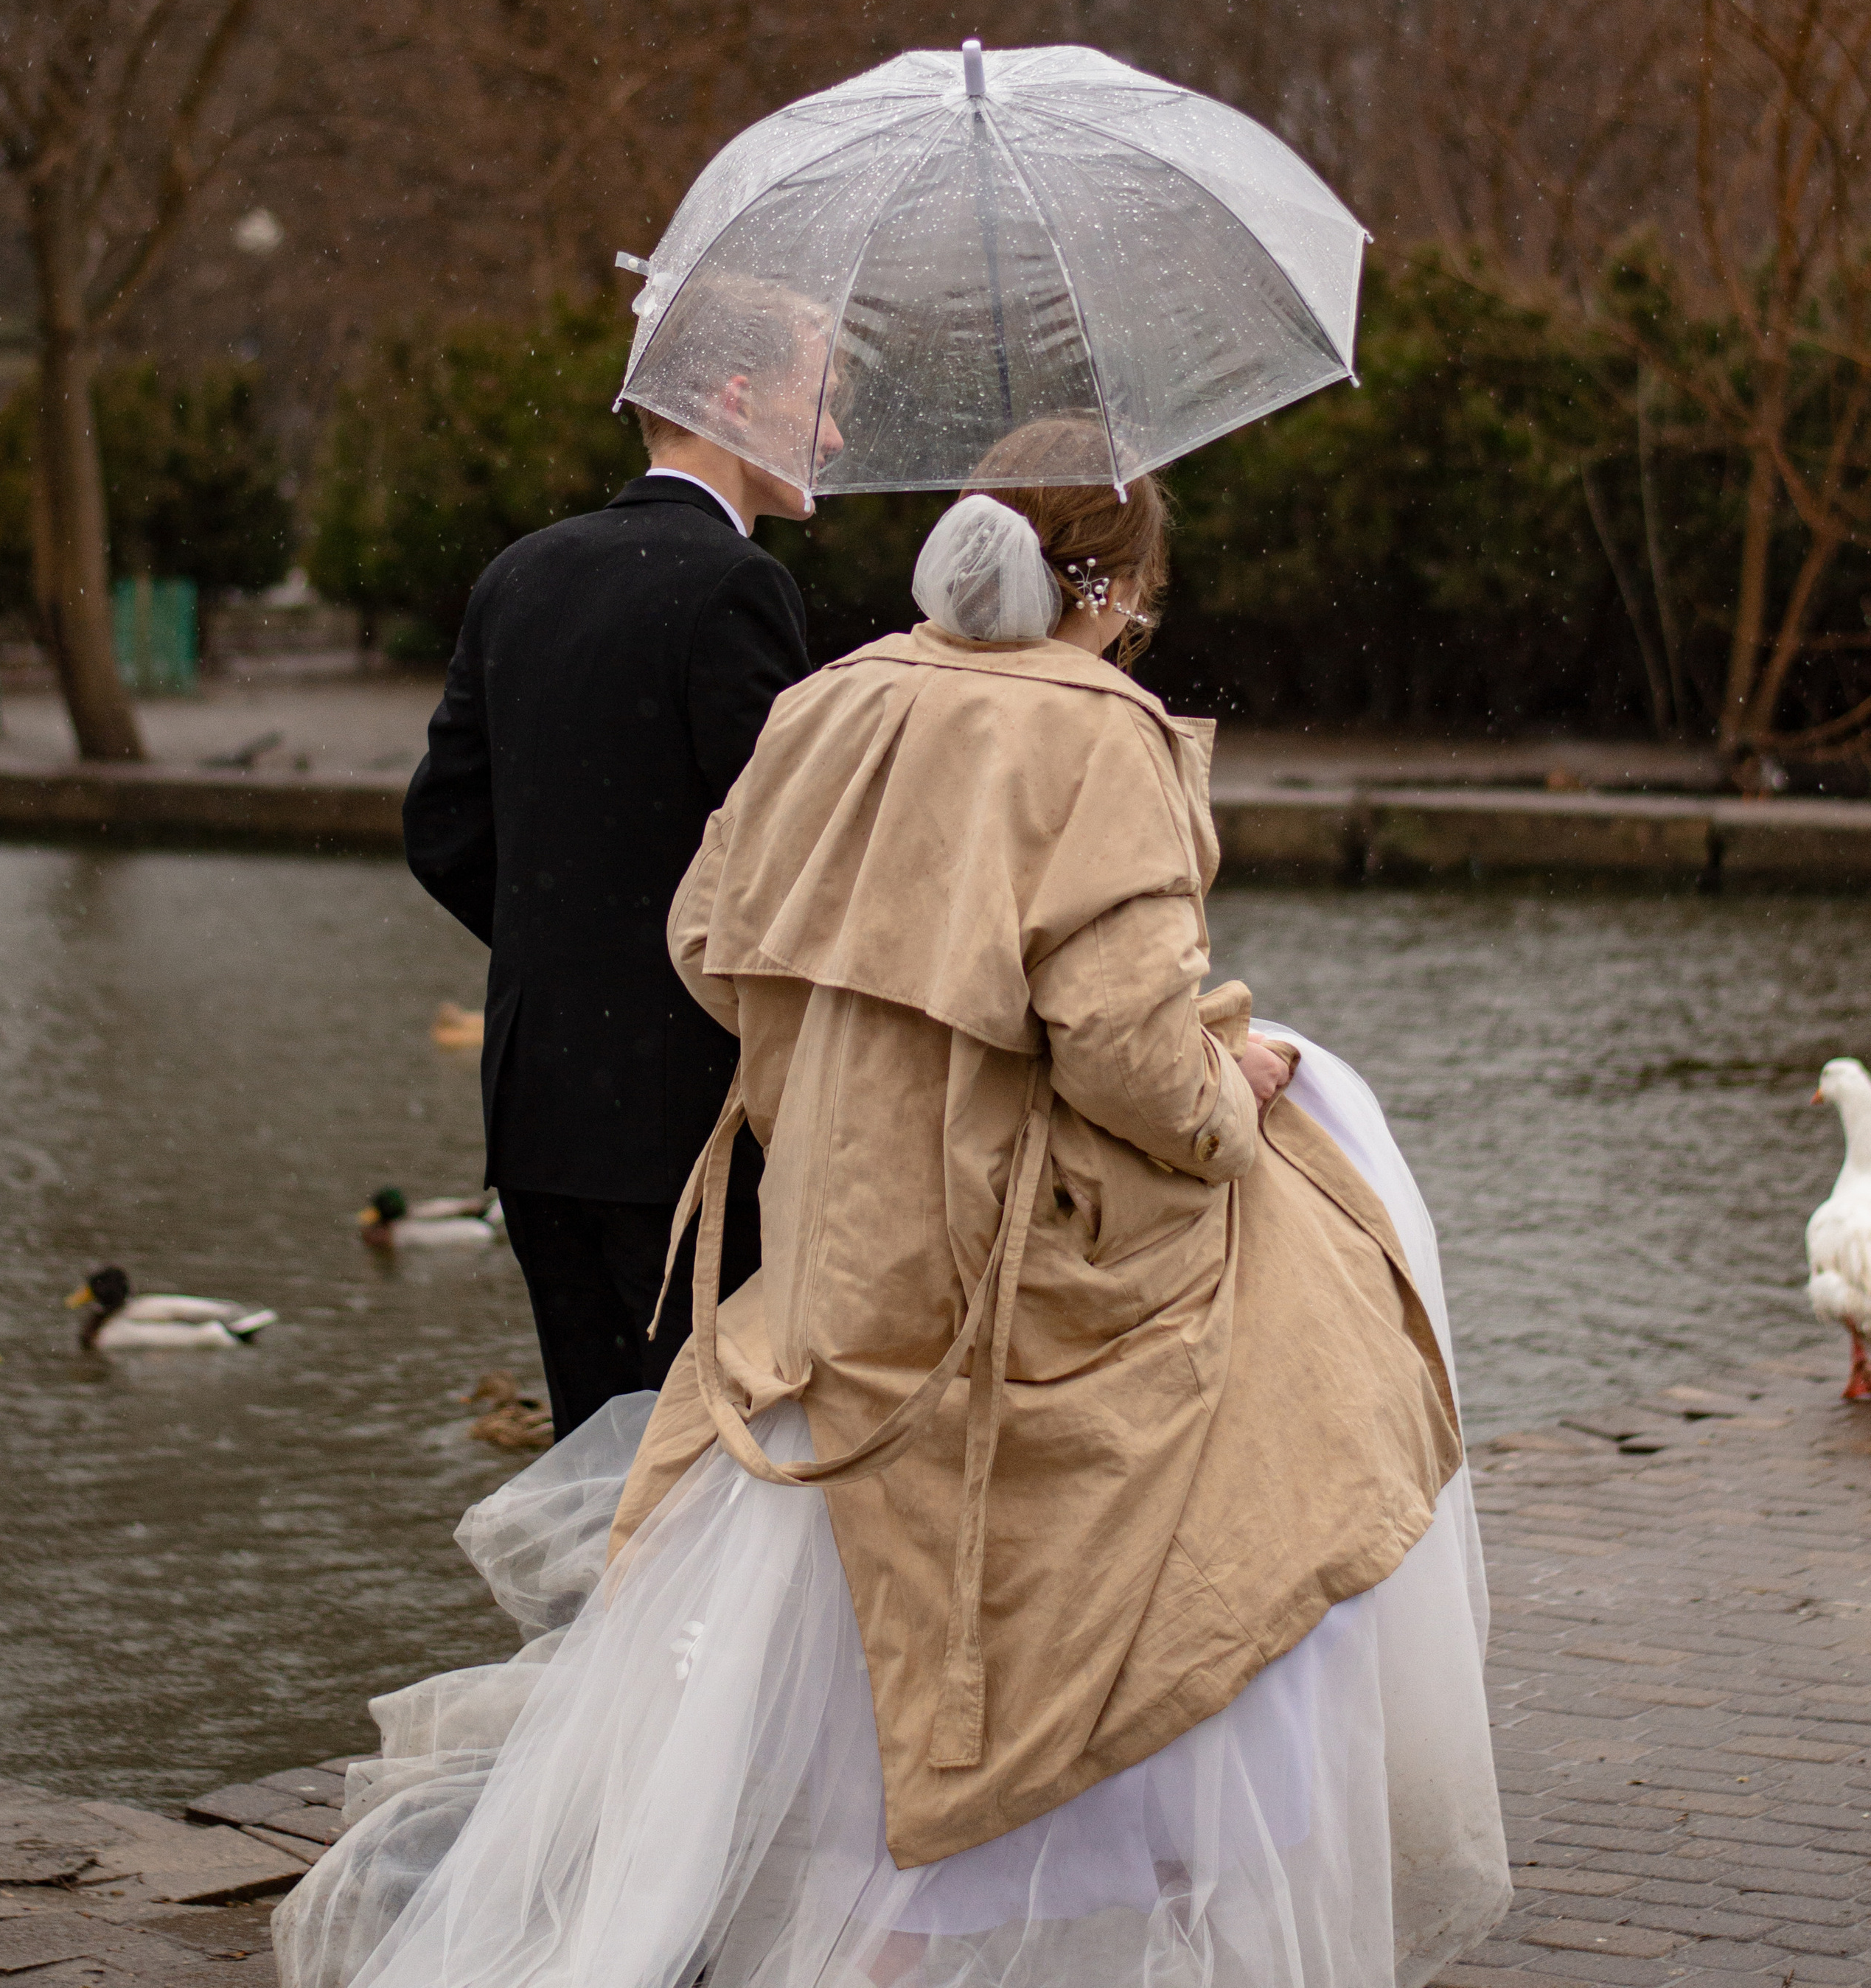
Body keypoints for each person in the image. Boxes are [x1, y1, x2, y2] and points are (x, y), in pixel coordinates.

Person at [286, 432, 1509, 1988]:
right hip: (1006, 1245)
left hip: (828, 1254)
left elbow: (706, 933)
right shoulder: (1099, 734)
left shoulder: (831, 697)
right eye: (1141, 592)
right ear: (1120, 587)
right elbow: (1126, 1047)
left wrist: (848, 1057)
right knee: (1261, 1476)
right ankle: (1055, 1904)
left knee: (842, 1632)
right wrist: (1236, 1097)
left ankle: (852, 1924)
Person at [400, 278, 837, 1437]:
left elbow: (441, 828)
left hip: (541, 1109)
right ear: (738, 397)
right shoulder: (739, 586)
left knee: (600, 1465)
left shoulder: (520, 573)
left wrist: (576, 952)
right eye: (820, 396)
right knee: (703, 1482)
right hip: (685, 1118)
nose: (834, 434)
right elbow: (788, 855)